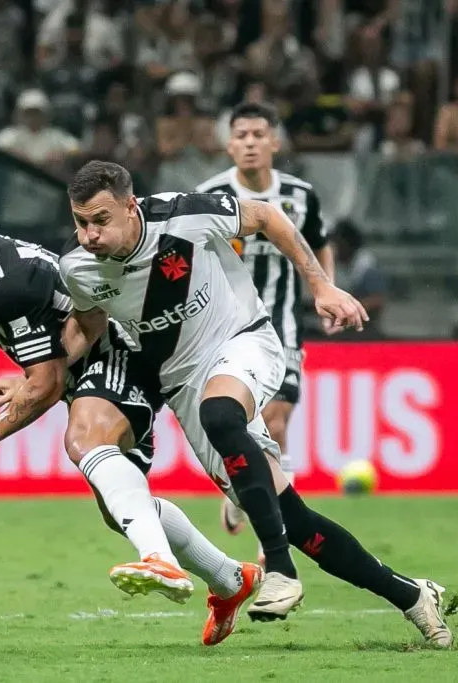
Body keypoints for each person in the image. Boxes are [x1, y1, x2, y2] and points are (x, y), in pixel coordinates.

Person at [59, 161, 452, 647]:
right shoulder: (77, 267)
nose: (90, 234)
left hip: (242, 341)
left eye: (101, 219)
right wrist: (34, 378)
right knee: (297, 519)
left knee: (221, 413)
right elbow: (88, 327)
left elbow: (266, 215)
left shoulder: (183, 217)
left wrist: (321, 285)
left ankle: (279, 569)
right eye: (81, 222)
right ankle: (413, 597)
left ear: (130, 206)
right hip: (183, 385)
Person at [0, 187, 261, 646]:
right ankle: (233, 580)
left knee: (84, 441)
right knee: (121, 511)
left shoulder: (11, 282)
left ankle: (159, 559)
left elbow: (47, 384)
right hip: (87, 373)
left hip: (122, 355)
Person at [195, 101, 334, 558]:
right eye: (242, 135)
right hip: (224, 330)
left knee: (276, 421)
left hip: (283, 326)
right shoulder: (210, 194)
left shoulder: (300, 195)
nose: (251, 143)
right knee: (241, 424)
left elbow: (319, 245)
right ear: (229, 144)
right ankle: (243, 490)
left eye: (259, 134)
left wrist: (326, 291)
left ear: (274, 141)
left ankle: (268, 535)